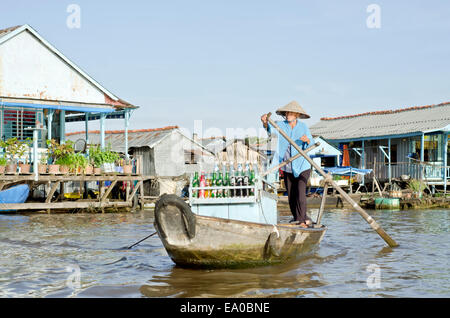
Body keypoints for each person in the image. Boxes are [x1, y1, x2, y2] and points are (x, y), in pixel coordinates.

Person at [261, 101, 314, 228]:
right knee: (291, 194)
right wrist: (265, 122)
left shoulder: (303, 127)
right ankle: (299, 218)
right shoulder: (281, 125)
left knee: (300, 193)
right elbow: (270, 129)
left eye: (291, 113)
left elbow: (311, 143)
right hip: (287, 165)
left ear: (296, 115)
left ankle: (302, 221)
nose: (288, 115)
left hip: (302, 165)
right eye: (287, 113)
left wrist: (307, 140)